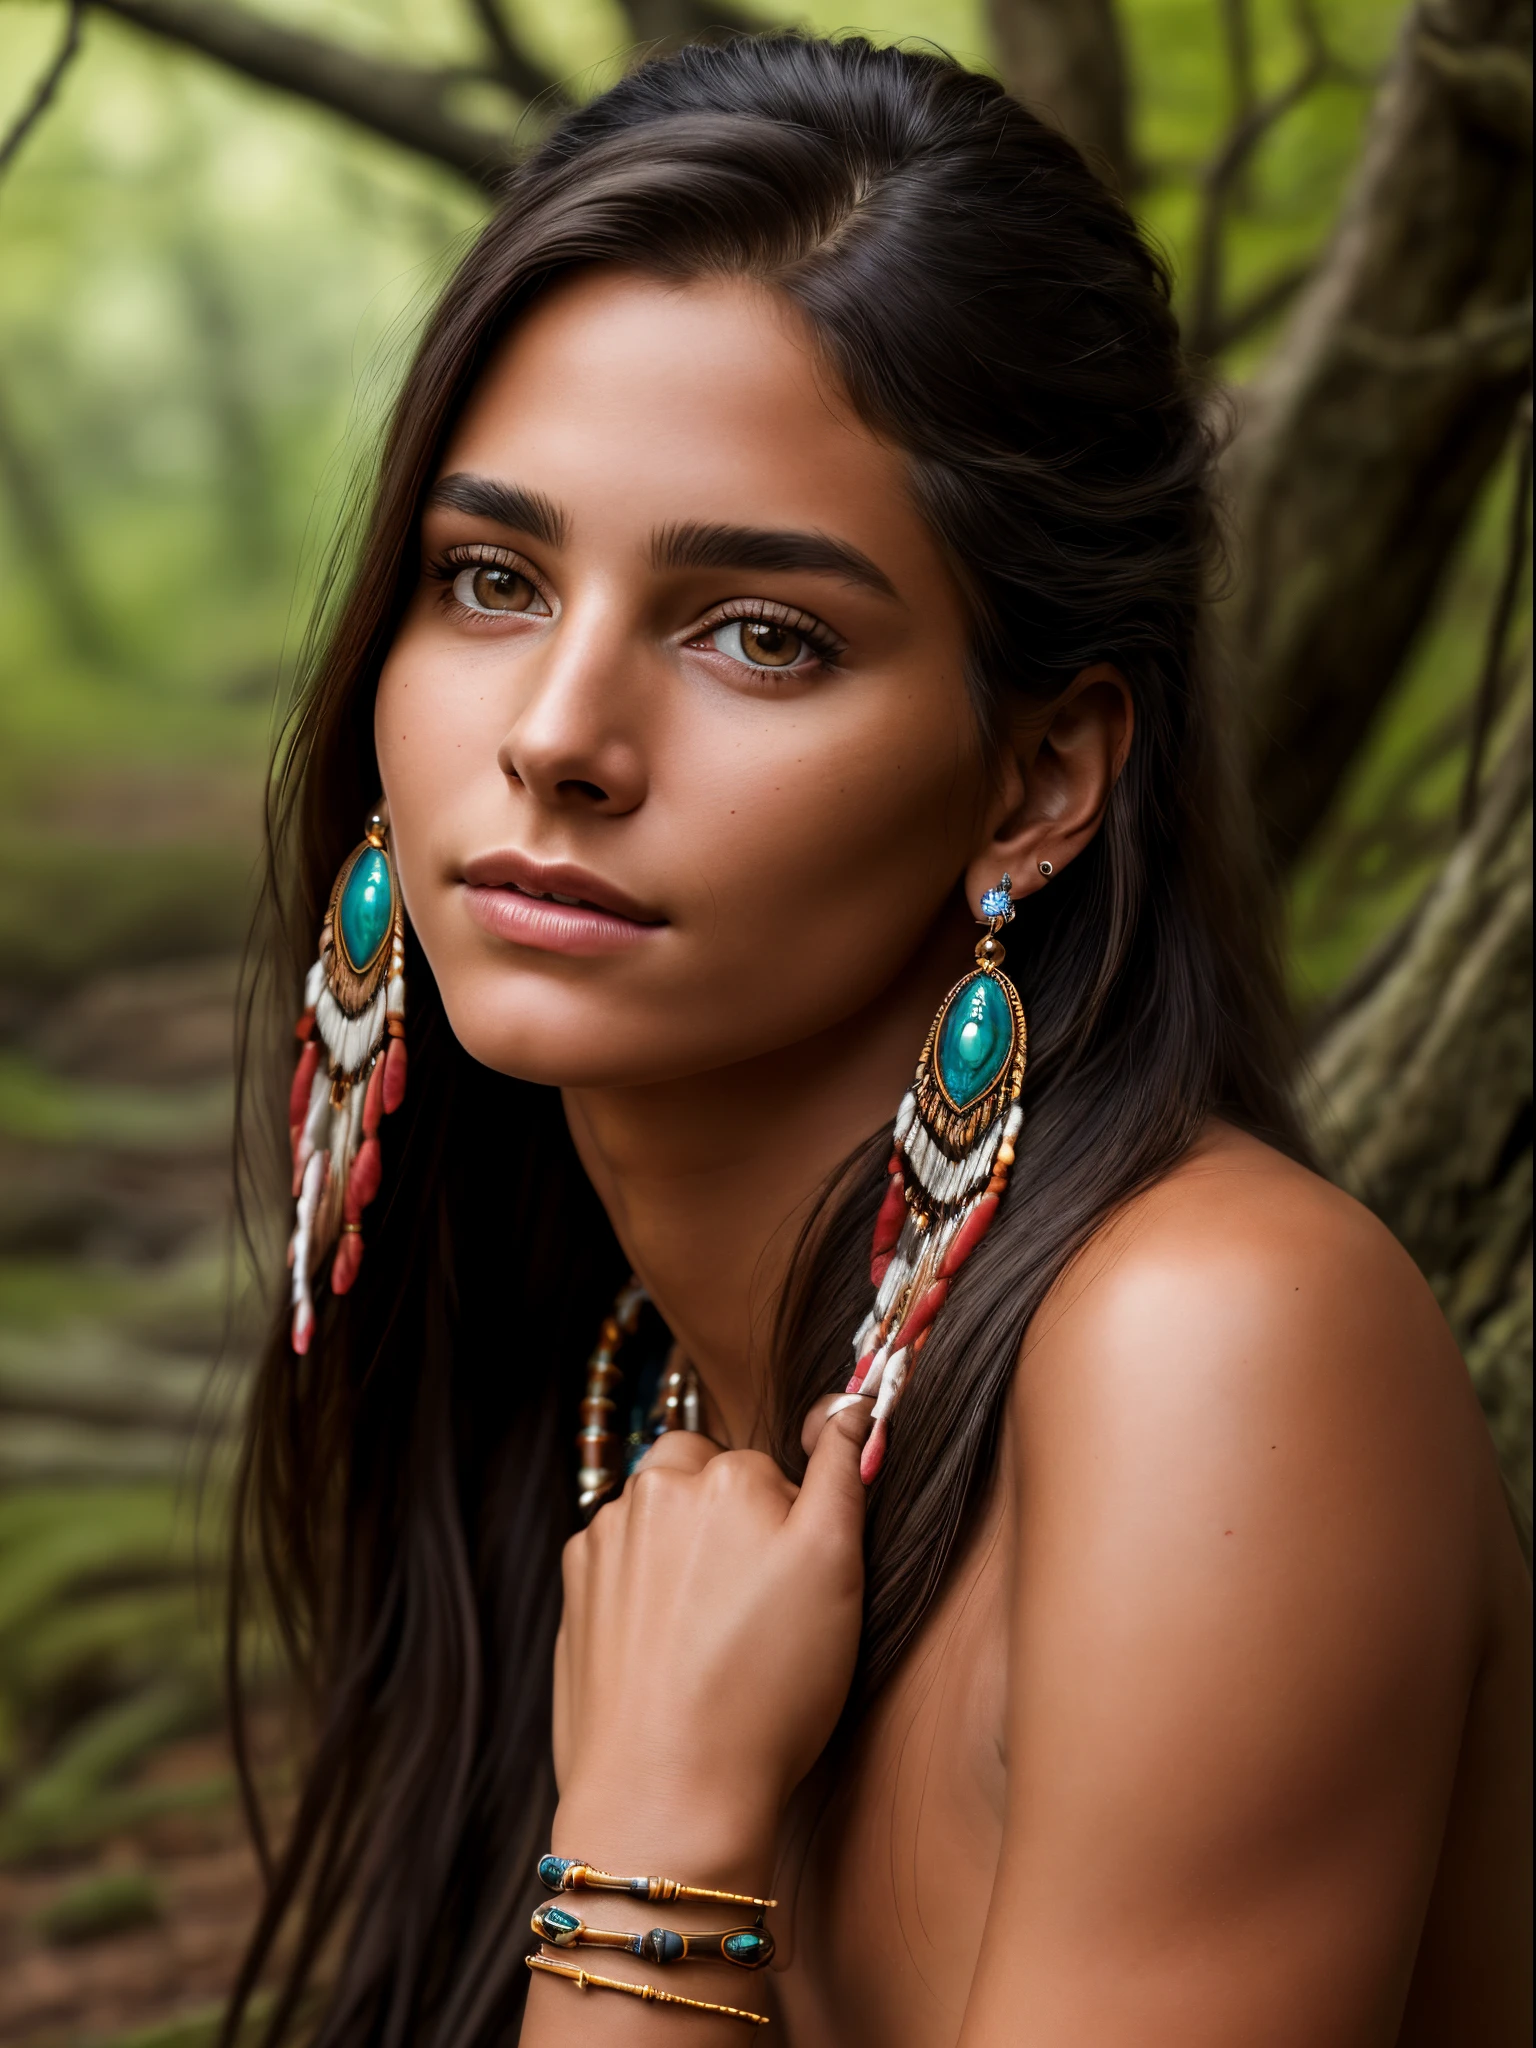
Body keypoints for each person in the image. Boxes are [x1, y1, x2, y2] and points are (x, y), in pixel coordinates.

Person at [223, 33, 1531, 2047]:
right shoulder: (612, 1384)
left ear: (1036, 780)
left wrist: (650, 1854)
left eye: (762, 633)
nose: (556, 734)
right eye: (491, 578)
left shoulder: (1212, 1352)